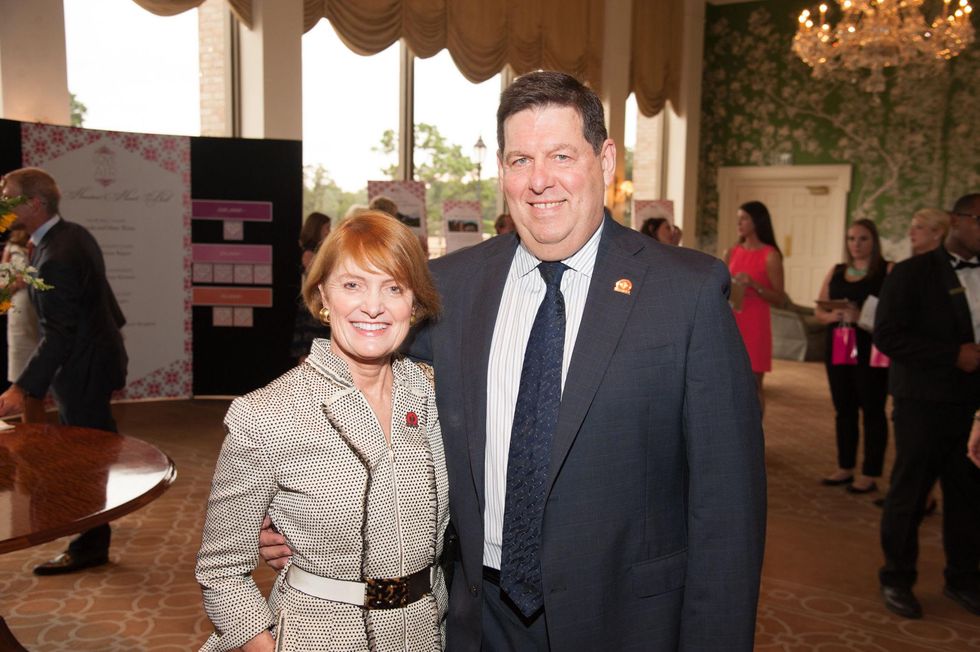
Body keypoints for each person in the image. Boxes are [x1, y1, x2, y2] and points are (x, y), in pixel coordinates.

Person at [261, 71, 766, 650]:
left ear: (604, 162)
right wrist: (286, 507)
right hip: (477, 619)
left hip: (626, 622)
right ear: (501, 170)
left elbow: (729, 511)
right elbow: (356, 380)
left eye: (560, 155)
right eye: (521, 159)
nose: (540, 180)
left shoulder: (686, 293)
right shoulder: (450, 287)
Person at [196, 211, 449, 651]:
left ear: (415, 304)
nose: (373, 306)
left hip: (428, 633)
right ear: (322, 297)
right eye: (352, 285)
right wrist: (263, 646)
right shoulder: (266, 414)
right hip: (318, 636)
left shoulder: (436, 398)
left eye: (393, 288)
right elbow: (221, 568)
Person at [0, 167, 128, 575]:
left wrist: (22, 389)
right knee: (90, 453)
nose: (2, 202)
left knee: (86, 459)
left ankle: (89, 544)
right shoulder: (70, 236)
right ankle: (91, 539)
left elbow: (59, 333)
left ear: (34, 204)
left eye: (8, 195)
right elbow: (104, 302)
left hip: (83, 369)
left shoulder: (57, 254)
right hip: (93, 361)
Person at [874, 194, 980, 620]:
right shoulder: (912, 273)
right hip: (921, 402)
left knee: (969, 497)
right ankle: (896, 578)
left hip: (972, 409)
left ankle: (963, 578)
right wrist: (950, 355)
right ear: (956, 220)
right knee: (910, 494)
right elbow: (888, 335)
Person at [815, 220, 892, 493]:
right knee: (843, 407)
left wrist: (862, 317)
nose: (856, 244)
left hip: (871, 345)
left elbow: (894, 312)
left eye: (863, 239)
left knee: (872, 408)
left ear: (874, 241)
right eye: (851, 239)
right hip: (840, 342)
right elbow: (819, 310)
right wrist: (831, 316)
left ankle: (870, 473)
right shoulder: (837, 271)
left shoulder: (887, 270)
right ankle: (845, 466)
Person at [724, 201, 786, 413]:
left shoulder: (770, 255)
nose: (739, 223)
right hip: (732, 321)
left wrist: (754, 285)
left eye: (744, 218)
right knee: (729, 383)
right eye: (738, 218)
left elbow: (779, 298)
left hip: (756, 324)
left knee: (753, 385)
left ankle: (754, 438)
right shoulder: (731, 252)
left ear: (757, 221)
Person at [1, 224, 43, 422]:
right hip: (26, 307)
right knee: (24, 362)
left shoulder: (29, 246)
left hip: (32, 307)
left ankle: (34, 427)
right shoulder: (17, 247)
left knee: (33, 361)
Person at [289, 211, 331, 362]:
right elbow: (318, 277)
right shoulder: (309, 253)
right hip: (312, 306)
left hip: (318, 304)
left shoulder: (318, 252)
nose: (329, 232)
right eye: (327, 228)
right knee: (308, 349)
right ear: (317, 229)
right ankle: (306, 382)